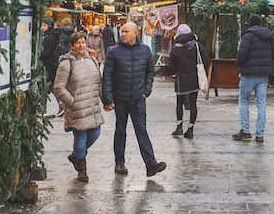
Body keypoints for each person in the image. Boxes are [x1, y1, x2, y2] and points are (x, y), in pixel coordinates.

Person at [101, 21, 166, 177]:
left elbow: (150, 72)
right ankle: (120, 163)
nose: (123, 34)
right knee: (120, 130)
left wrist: (146, 90)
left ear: (136, 33)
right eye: (122, 31)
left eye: (126, 32)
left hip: (138, 98)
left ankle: (151, 164)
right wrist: (107, 99)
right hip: (120, 97)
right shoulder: (114, 52)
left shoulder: (145, 50)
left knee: (141, 130)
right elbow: (107, 76)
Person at [53, 32, 104, 183]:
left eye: (83, 42)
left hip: (92, 106)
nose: (81, 45)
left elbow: (98, 83)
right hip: (77, 108)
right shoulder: (66, 63)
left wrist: (105, 100)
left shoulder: (92, 60)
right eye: (78, 43)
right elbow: (58, 87)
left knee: (95, 133)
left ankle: (76, 156)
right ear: (71, 46)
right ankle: (82, 170)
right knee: (81, 138)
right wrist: (72, 101)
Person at [234, 14, 274, 143]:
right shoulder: (269, 36)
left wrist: (240, 66)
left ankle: (245, 131)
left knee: (244, 100)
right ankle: (260, 134)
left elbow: (241, 54)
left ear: (249, 23)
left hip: (248, 74)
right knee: (261, 104)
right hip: (263, 75)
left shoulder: (248, 36)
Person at [165, 24, 204, 138]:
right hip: (194, 78)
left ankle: (179, 127)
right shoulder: (197, 46)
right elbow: (204, 60)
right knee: (193, 104)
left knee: (179, 103)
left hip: (181, 79)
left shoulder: (176, 48)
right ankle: (190, 129)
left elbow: (171, 66)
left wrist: (173, 72)